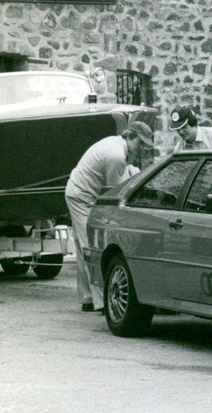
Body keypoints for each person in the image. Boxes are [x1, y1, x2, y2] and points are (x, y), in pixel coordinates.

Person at [64, 121, 154, 312]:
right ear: (129, 136)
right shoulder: (116, 156)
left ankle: (88, 298)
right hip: (81, 197)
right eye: (140, 143)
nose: (141, 149)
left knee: (84, 247)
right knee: (91, 248)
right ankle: (101, 303)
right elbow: (117, 192)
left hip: (81, 193)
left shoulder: (116, 145)